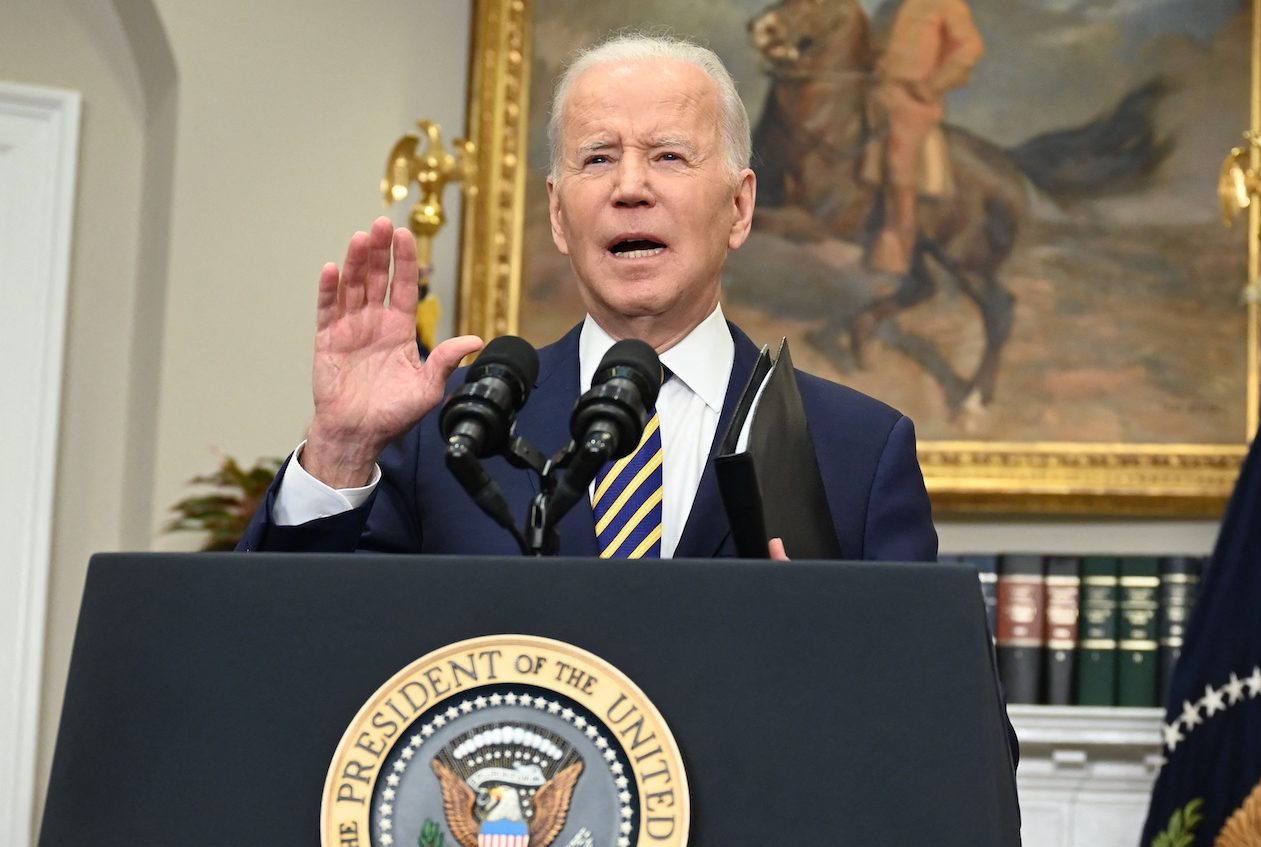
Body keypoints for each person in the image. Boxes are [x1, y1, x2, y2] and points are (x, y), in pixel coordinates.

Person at [237, 33, 937, 561]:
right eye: (598, 158)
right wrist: (341, 449)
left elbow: (948, 732)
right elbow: (288, 656)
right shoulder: (446, 434)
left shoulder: (858, 449)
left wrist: (832, 653)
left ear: (740, 208)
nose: (630, 187)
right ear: (557, 214)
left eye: (668, 155)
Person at [865, 0, 985, 275]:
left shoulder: (947, 4)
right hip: (876, 91)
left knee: (899, 160)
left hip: (912, 100)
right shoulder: (891, 6)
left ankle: (897, 250)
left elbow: (970, 48)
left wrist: (933, 85)